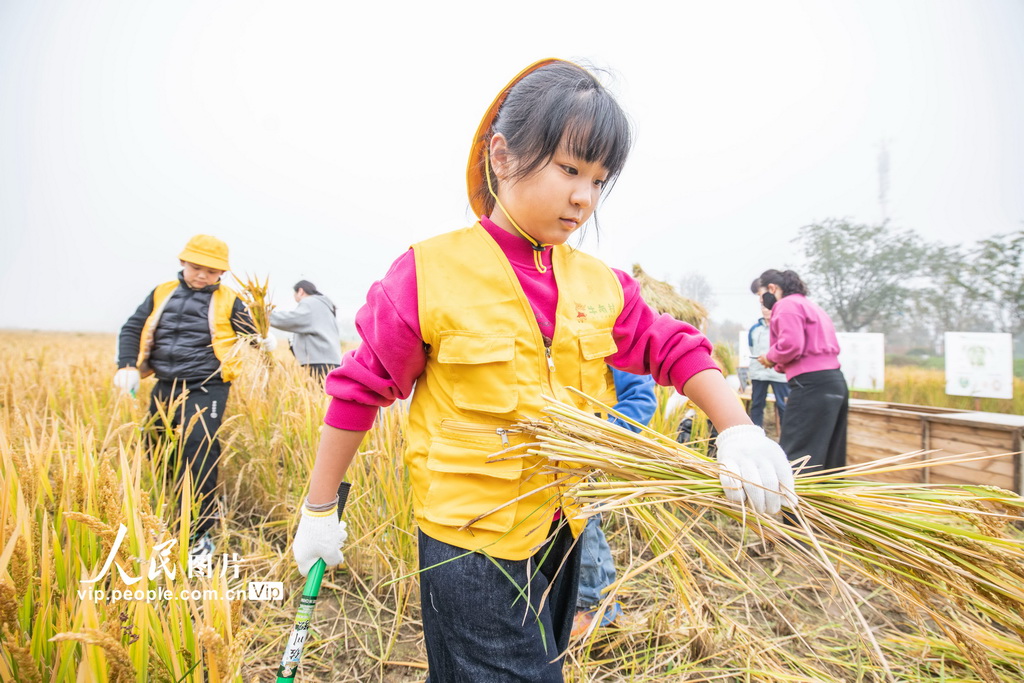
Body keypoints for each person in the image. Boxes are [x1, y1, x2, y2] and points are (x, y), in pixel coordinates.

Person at [292, 59, 795, 682]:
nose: (584, 197)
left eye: (599, 180)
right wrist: (320, 510)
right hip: (469, 543)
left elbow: (672, 348)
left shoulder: (599, 284)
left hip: (562, 530)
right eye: (570, 169)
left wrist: (737, 428)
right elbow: (359, 390)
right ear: (503, 156)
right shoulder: (429, 273)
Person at [114, 234, 270, 560]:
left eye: (211, 271)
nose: (202, 275)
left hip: (207, 386)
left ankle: (199, 531)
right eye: (197, 267)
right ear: (183, 262)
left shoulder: (230, 300)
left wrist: (263, 341)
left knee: (198, 450)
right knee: (157, 446)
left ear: (222, 273)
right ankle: (177, 505)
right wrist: (127, 365)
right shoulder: (162, 293)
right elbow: (132, 327)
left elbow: (251, 335)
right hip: (165, 383)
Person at [573, 366, 658, 638]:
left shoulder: (615, 342)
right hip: (563, 442)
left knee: (582, 520)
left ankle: (594, 607)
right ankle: (593, 602)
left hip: (587, 444)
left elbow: (641, 399)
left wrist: (601, 439)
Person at [754, 269, 847, 473]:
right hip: (834, 381)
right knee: (830, 455)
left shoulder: (786, 305)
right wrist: (778, 363)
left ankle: (792, 492)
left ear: (772, 288)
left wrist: (770, 357)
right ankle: (830, 492)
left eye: (761, 295)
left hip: (811, 385)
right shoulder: (811, 306)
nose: (761, 301)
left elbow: (791, 344)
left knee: (797, 453)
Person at [269, 279, 343, 380]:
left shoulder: (310, 302)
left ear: (300, 291)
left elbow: (293, 320)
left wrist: (265, 316)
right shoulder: (324, 305)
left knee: (318, 388)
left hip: (318, 361)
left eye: (294, 294)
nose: (294, 297)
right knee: (326, 389)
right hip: (331, 359)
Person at [746, 278, 790, 430]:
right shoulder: (754, 329)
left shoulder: (782, 325)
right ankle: (756, 434)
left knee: (783, 405)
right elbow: (751, 347)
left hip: (779, 374)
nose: (765, 310)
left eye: (767, 307)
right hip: (759, 373)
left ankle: (785, 435)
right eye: (762, 307)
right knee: (757, 404)